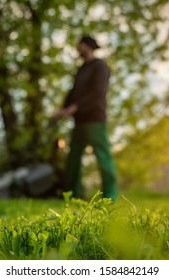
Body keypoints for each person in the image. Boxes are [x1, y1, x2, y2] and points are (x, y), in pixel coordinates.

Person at [53, 35, 118, 201]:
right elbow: (73, 91)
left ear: (87, 46)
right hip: (79, 121)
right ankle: (72, 194)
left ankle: (110, 195)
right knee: (73, 158)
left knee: (103, 157)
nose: (77, 48)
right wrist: (63, 108)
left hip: (95, 119)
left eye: (79, 45)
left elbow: (97, 93)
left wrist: (76, 107)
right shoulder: (82, 69)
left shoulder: (100, 66)